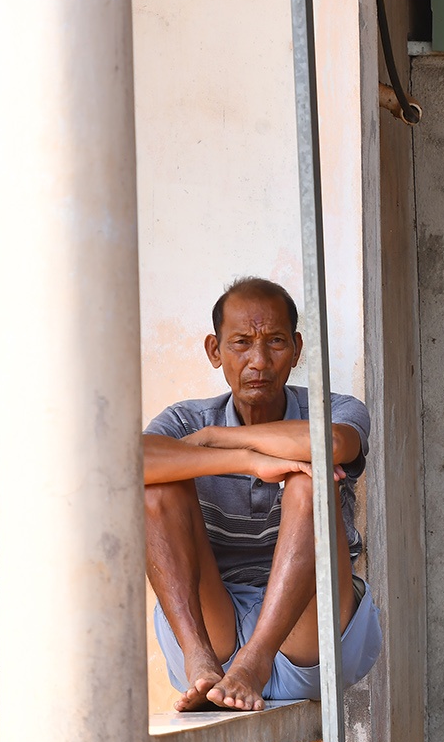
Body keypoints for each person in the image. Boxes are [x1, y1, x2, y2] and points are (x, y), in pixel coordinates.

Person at [142, 276, 383, 711]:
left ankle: (254, 661)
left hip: (309, 639)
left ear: (296, 348)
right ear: (214, 351)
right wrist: (248, 460)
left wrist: (217, 438)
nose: (258, 360)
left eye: (274, 342)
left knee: (312, 482)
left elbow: (329, 445)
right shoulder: (182, 421)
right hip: (215, 631)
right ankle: (198, 661)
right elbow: (125, 465)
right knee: (155, 490)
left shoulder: (334, 409)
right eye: (240, 343)